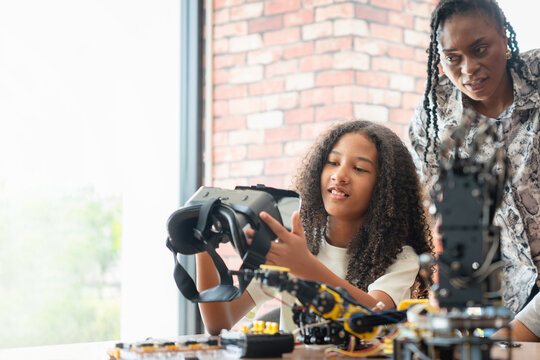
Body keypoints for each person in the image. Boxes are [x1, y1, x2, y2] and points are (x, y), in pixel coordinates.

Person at [197, 120, 434, 335]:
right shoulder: (293, 247)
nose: (339, 175)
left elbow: (374, 316)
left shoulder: (400, 258)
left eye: (359, 169)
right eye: (333, 162)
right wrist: (200, 241)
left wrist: (304, 266)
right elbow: (219, 321)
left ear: (385, 189)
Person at [409, 0, 540, 315]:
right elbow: (436, 213)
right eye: (453, 58)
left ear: (504, 38)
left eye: (480, 49)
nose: (468, 70)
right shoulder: (434, 114)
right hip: (505, 298)